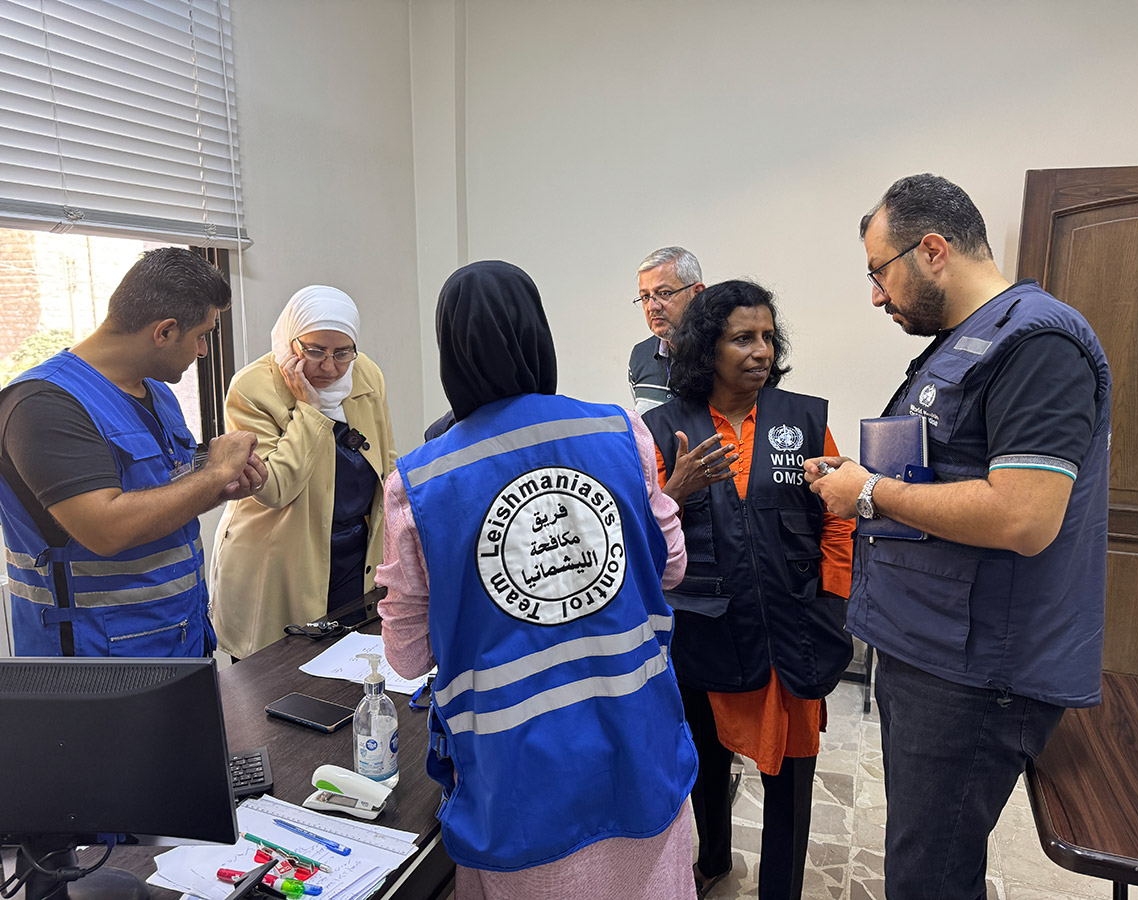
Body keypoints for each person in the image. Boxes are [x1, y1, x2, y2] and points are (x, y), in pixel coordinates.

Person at [807, 173, 1111, 900]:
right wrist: (861, 477)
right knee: (924, 858)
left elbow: (1024, 517)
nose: (877, 295)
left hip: (976, 675)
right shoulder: (966, 343)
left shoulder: (1037, 342)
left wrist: (870, 494)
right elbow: (950, 470)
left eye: (880, 273)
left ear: (932, 250)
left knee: (930, 877)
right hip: (933, 647)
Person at [378, 260, 698, 900]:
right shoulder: (618, 431)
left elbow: (407, 655)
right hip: (638, 748)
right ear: (538, 334)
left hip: (517, 785)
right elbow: (670, 567)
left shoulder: (420, 483)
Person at [643, 280, 854, 900]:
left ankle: (781, 889)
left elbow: (838, 516)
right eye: (743, 338)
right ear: (708, 348)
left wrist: (833, 602)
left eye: (767, 337)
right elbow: (636, 534)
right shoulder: (660, 430)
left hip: (791, 633)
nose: (761, 351)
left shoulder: (803, 419)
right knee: (704, 765)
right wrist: (673, 492)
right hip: (701, 636)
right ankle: (710, 860)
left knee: (791, 777)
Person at [0, 247, 265, 657]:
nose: (203, 352)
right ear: (164, 331)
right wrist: (213, 474)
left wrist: (221, 486)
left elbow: (162, 495)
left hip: (179, 639)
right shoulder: (42, 405)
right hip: (96, 667)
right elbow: (106, 528)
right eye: (202, 336)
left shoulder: (157, 393)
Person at [210, 285, 396, 660]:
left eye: (342, 353)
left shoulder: (366, 375)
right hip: (279, 561)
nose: (329, 367)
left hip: (355, 552)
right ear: (291, 341)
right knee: (276, 678)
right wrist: (309, 411)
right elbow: (274, 487)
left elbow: (386, 460)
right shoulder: (253, 388)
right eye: (315, 351)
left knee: (350, 669)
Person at [628, 246, 705, 414]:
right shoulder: (640, 356)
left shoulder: (723, 353)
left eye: (664, 293)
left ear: (697, 294)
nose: (652, 307)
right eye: (645, 297)